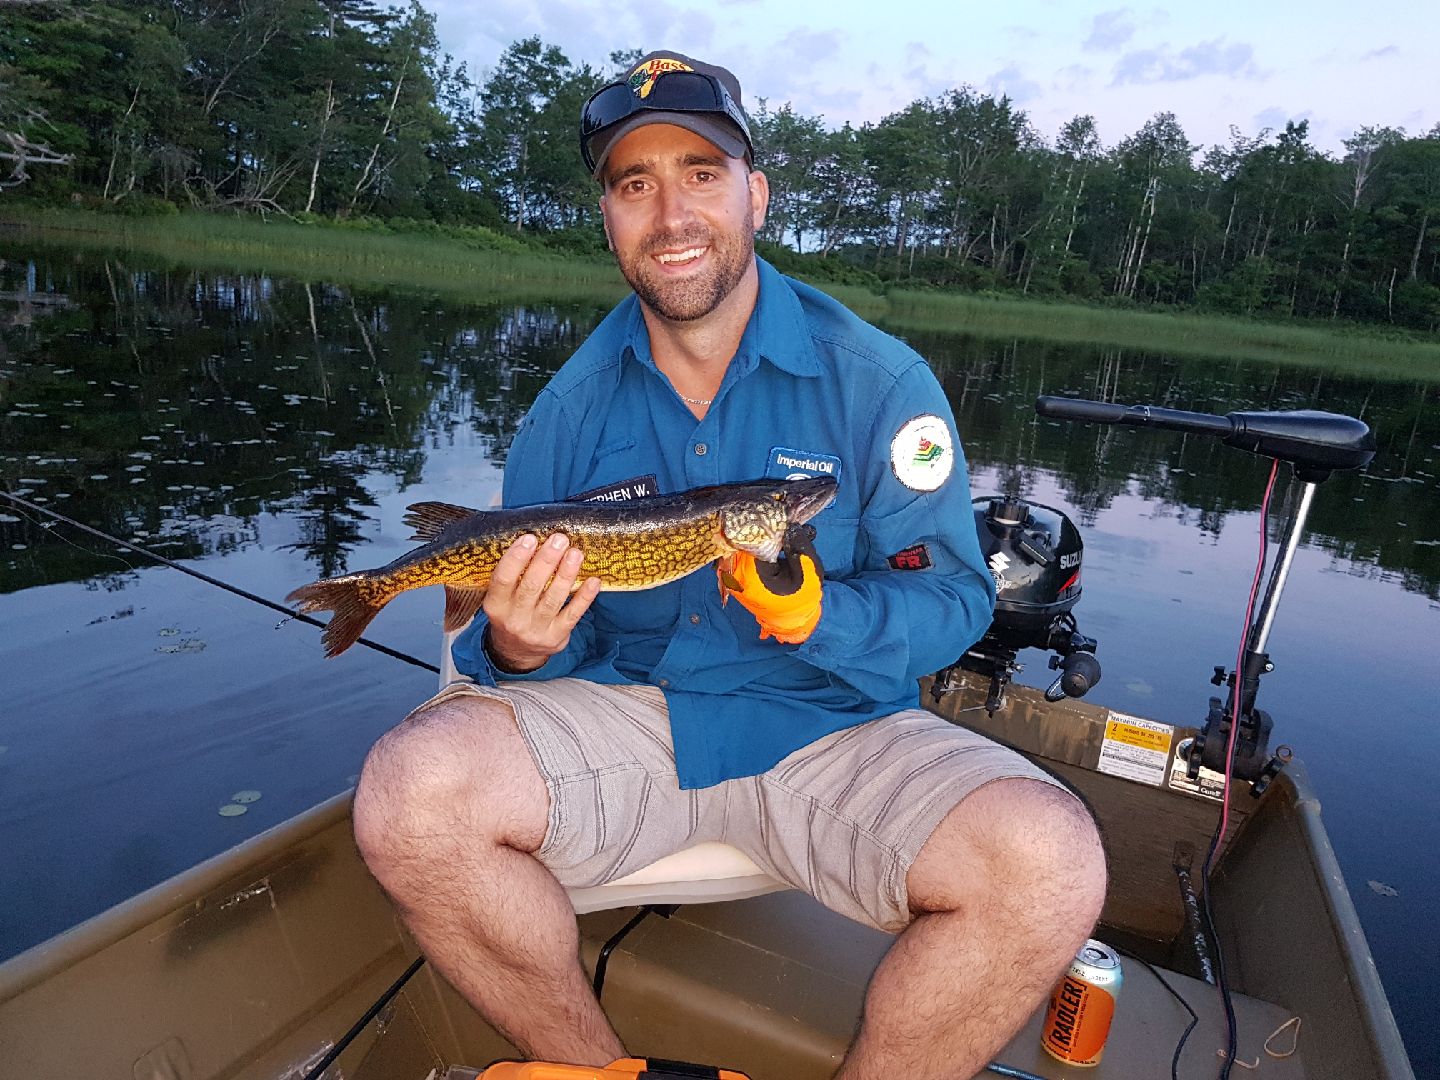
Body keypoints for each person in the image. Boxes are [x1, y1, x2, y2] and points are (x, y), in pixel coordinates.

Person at [352, 51, 1106, 1078]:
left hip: (833, 725)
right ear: (609, 218)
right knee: (411, 795)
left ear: (756, 194)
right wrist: (518, 646)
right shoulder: (568, 408)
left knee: (1052, 862)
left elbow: (956, 599)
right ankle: (596, 1073)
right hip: (627, 716)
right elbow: (507, 650)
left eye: (701, 173)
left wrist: (822, 618)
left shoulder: (882, 383)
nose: (671, 213)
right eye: (635, 184)